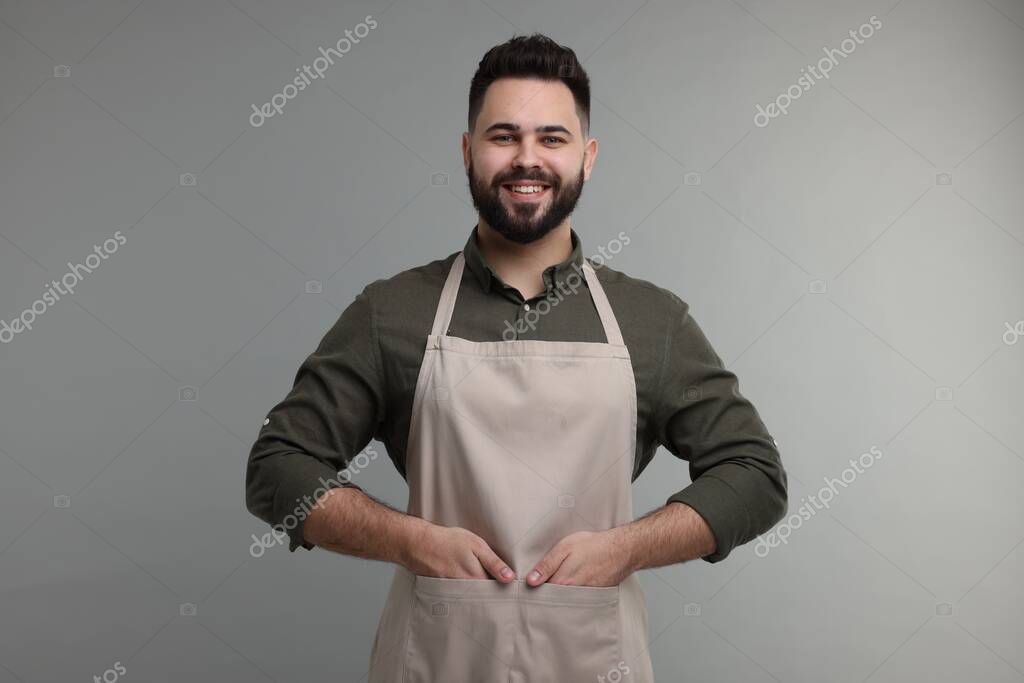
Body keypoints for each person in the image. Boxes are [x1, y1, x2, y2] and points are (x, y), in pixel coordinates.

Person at [245, 33, 788, 683]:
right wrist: (409, 540)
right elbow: (277, 467)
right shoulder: (393, 312)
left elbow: (755, 475)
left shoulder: (652, 321)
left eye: (552, 138)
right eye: (504, 136)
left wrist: (627, 548)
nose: (527, 158)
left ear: (587, 158)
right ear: (467, 152)